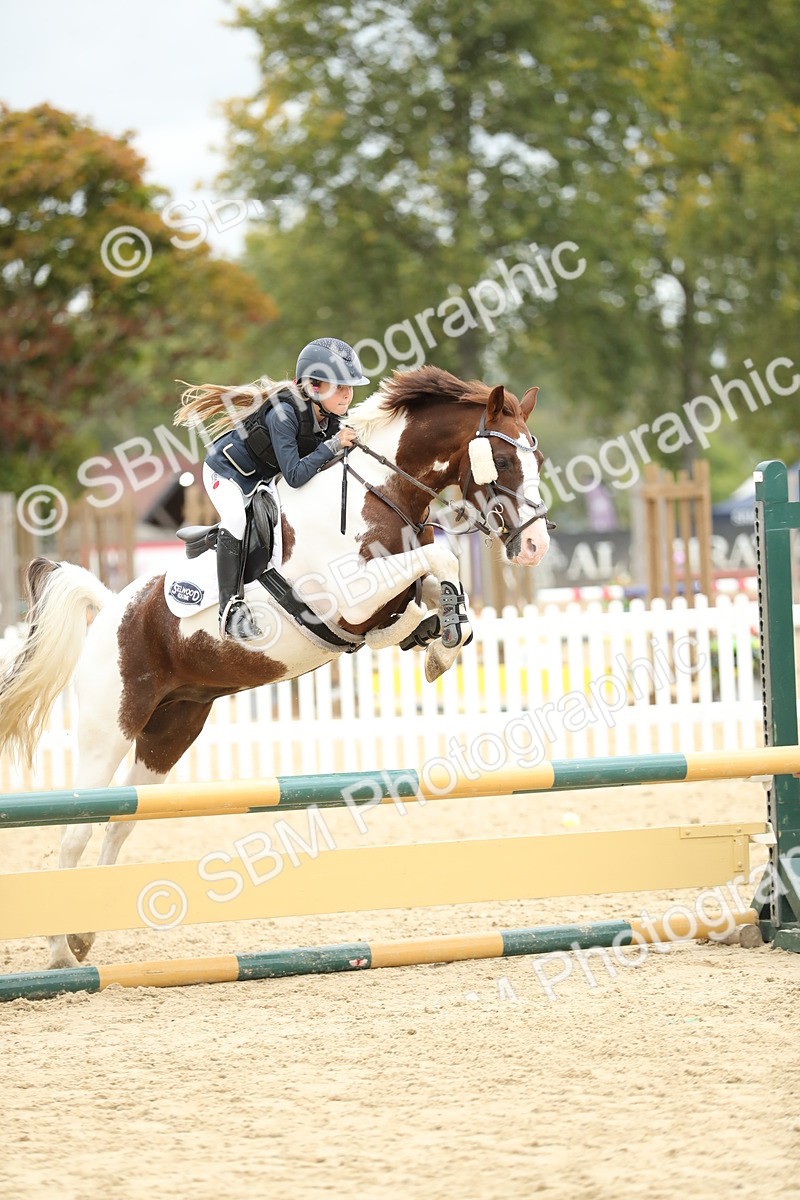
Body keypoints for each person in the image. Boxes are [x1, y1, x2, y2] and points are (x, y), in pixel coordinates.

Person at [174, 338, 370, 641]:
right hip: (226, 473)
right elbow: (294, 475)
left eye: (350, 386)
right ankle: (231, 610)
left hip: (264, 478)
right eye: (340, 386)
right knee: (238, 519)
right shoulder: (284, 414)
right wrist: (333, 445)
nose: (348, 393)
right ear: (313, 387)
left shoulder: (330, 418)